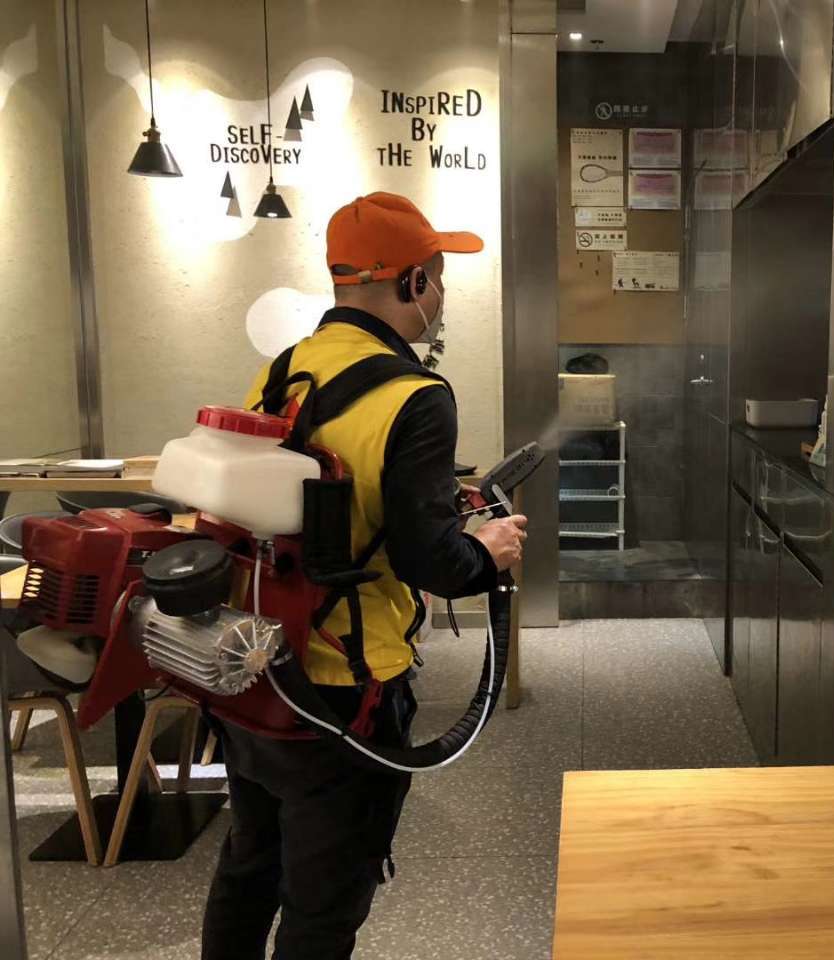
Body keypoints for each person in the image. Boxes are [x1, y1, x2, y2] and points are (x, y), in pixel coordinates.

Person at [201, 192, 527, 960]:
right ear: (412, 282)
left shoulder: (281, 371)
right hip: (347, 686)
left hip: (255, 666)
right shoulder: (416, 395)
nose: (439, 296)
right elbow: (430, 563)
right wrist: (489, 550)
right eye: (437, 279)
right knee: (324, 907)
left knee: (251, 863)